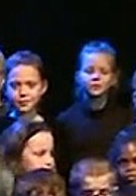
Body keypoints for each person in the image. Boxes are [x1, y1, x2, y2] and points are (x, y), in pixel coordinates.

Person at [56, 41, 131, 171]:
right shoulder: (65, 121)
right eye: (89, 71)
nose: (96, 77)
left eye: (104, 72)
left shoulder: (127, 118)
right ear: (78, 76)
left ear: (114, 78)